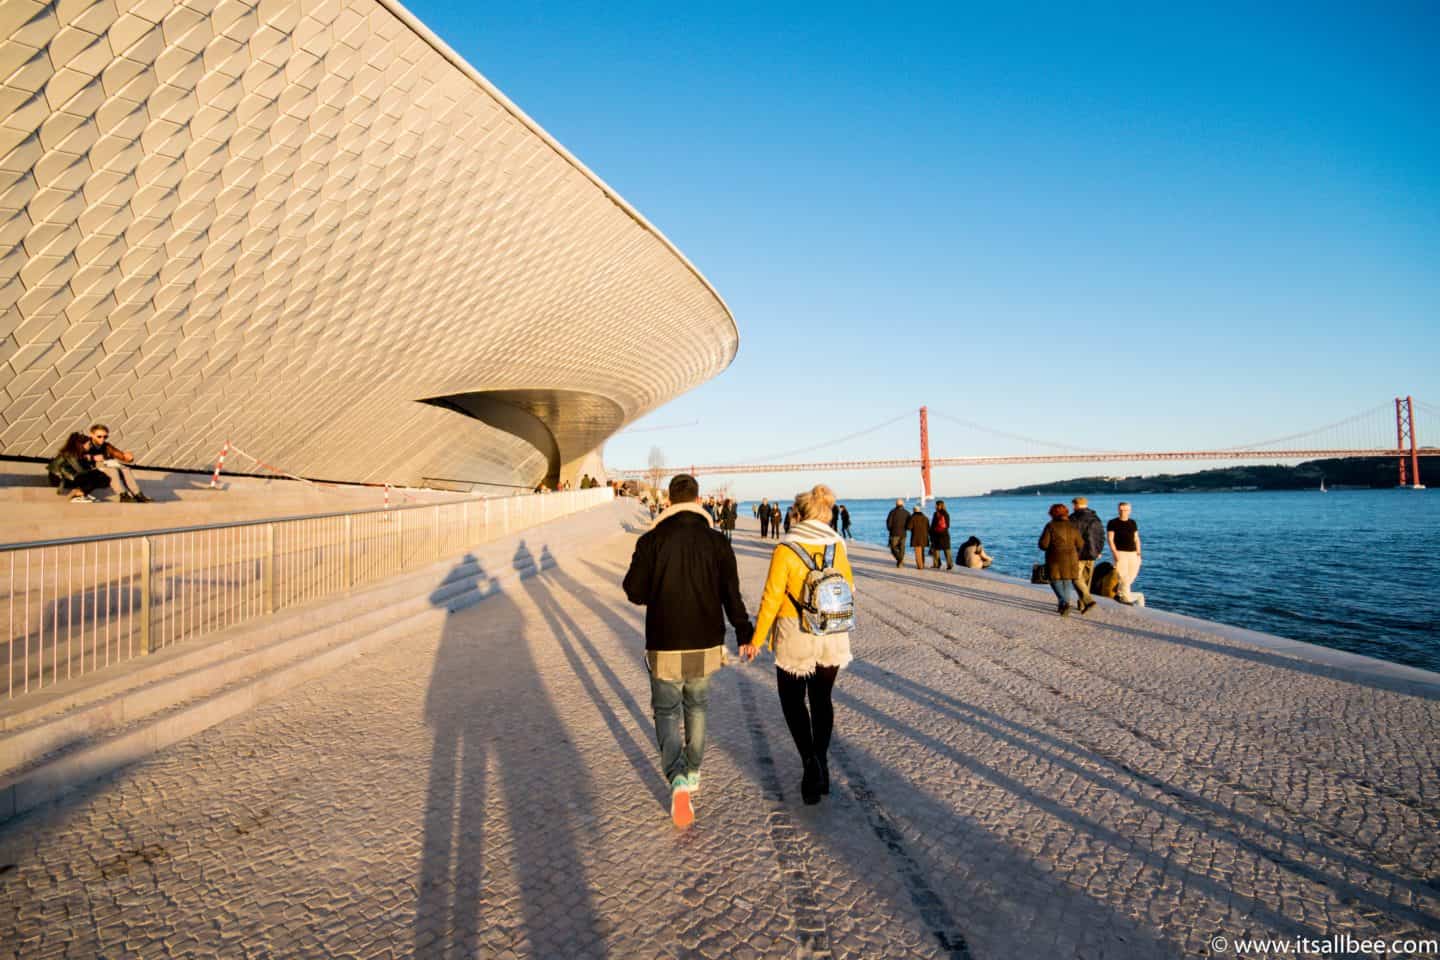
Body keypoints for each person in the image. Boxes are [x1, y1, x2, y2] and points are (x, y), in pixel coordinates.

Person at [623, 474, 754, 829]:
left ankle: (676, 778)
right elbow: (732, 594)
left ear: (669, 501)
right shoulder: (717, 542)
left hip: (664, 640)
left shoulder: (650, 540)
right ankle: (693, 770)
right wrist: (745, 632)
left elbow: (633, 591)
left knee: (666, 710)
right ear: (698, 502)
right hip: (705, 641)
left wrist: (659, 590)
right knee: (696, 706)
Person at [740, 484, 854, 805]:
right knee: (822, 701)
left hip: (795, 633)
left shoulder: (787, 548)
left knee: (792, 701)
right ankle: (823, 761)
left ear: (797, 514)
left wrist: (756, 640)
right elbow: (850, 589)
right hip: (833, 634)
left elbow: (772, 598)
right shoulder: (837, 545)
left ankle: (809, 763)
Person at [82, 424, 151, 502]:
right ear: (92, 435)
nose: (102, 439)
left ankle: (138, 494)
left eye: (105, 437)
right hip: (89, 469)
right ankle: (123, 495)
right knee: (112, 471)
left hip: (103, 466)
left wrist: (128, 458)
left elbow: (119, 454)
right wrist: (92, 458)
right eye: (99, 436)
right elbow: (76, 456)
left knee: (125, 469)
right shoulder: (86, 444)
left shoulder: (106, 446)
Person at [1038, 503, 1085, 616]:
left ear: (1052, 514)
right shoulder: (1073, 526)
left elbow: (1043, 544)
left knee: (1055, 580)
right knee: (1067, 580)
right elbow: (1080, 543)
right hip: (1071, 557)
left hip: (1055, 557)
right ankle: (1063, 605)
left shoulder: (1050, 526)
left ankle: (1064, 603)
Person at [47, 432, 110, 503]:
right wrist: (93, 463)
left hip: (69, 476)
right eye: (89, 444)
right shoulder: (70, 454)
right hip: (60, 480)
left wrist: (90, 462)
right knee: (96, 476)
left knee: (101, 477)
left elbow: (82, 469)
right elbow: (80, 470)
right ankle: (77, 495)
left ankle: (80, 493)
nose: (90, 446)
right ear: (81, 445)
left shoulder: (77, 454)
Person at [1069, 496, 1104, 613]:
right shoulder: (1095, 518)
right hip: (1092, 553)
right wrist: (1098, 551)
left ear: (1076, 505)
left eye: (1073, 505)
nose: (1072, 507)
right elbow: (1100, 536)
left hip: (1078, 553)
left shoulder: (1073, 518)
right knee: (1086, 580)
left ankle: (1088, 601)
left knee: (1075, 577)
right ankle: (1082, 604)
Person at [1107, 502, 1143, 605]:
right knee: (1123, 576)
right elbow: (1110, 539)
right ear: (1118, 510)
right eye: (1121, 510)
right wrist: (1114, 553)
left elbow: (1136, 538)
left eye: (1126, 510)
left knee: (1132, 575)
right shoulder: (1112, 522)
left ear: (1130, 511)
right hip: (1120, 552)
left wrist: (1139, 553)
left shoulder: (1132, 522)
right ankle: (1125, 599)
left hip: (1133, 553)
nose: (1123, 512)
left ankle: (1119, 593)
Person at [929, 499, 953, 570]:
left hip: (936, 534)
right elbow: (948, 525)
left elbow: (933, 525)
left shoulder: (936, 514)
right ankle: (950, 564)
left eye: (936, 505)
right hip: (945, 534)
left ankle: (937, 564)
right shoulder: (946, 514)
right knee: (947, 550)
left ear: (938, 506)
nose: (935, 506)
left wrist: (930, 532)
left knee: (936, 550)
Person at [885, 498, 909, 567]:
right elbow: (909, 522)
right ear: (903, 504)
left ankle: (900, 560)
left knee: (893, 548)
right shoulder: (906, 512)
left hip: (894, 533)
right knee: (902, 548)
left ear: (896, 504)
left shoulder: (892, 512)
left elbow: (888, 522)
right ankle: (900, 560)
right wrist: (906, 528)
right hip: (903, 533)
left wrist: (890, 529)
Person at [907, 503, 929, 570]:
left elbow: (909, 527)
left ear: (914, 510)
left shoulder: (912, 518)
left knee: (917, 552)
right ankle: (922, 564)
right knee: (922, 552)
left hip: (916, 537)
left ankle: (920, 566)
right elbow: (928, 527)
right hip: (924, 537)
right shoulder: (925, 517)